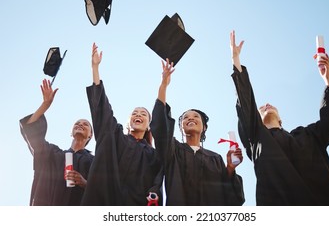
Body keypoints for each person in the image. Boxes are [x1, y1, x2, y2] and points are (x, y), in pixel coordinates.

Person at [230, 30, 329, 205]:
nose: (266, 105)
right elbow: (245, 105)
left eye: (270, 105)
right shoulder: (256, 139)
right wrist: (236, 61)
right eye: (260, 108)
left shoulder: (307, 136)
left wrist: (327, 78)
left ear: (281, 119)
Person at [150, 59, 245, 205]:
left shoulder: (216, 159)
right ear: (181, 127)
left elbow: (231, 197)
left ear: (204, 127)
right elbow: (161, 128)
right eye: (185, 118)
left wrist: (230, 169)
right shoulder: (173, 151)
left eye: (195, 117)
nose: (190, 119)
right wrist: (163, 85)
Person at [81, 43, 163, 206]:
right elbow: (103, 111)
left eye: (143, 114)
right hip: (105, 202)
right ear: (128, 122)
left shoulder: (154, 155)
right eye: (134, 113)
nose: (138, 115)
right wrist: (95, 69)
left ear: (149, 126)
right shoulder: (115, 136)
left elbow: (159, 180)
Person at [19, 79, 94, 206]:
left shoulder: (95, 162)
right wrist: (45, 105)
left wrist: (85, 183)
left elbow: (106, 192)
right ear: (71, 133)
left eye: (85, 124)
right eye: (77, 123)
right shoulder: (52, 153)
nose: (80, 124)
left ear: (90, 135)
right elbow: (31, 130)